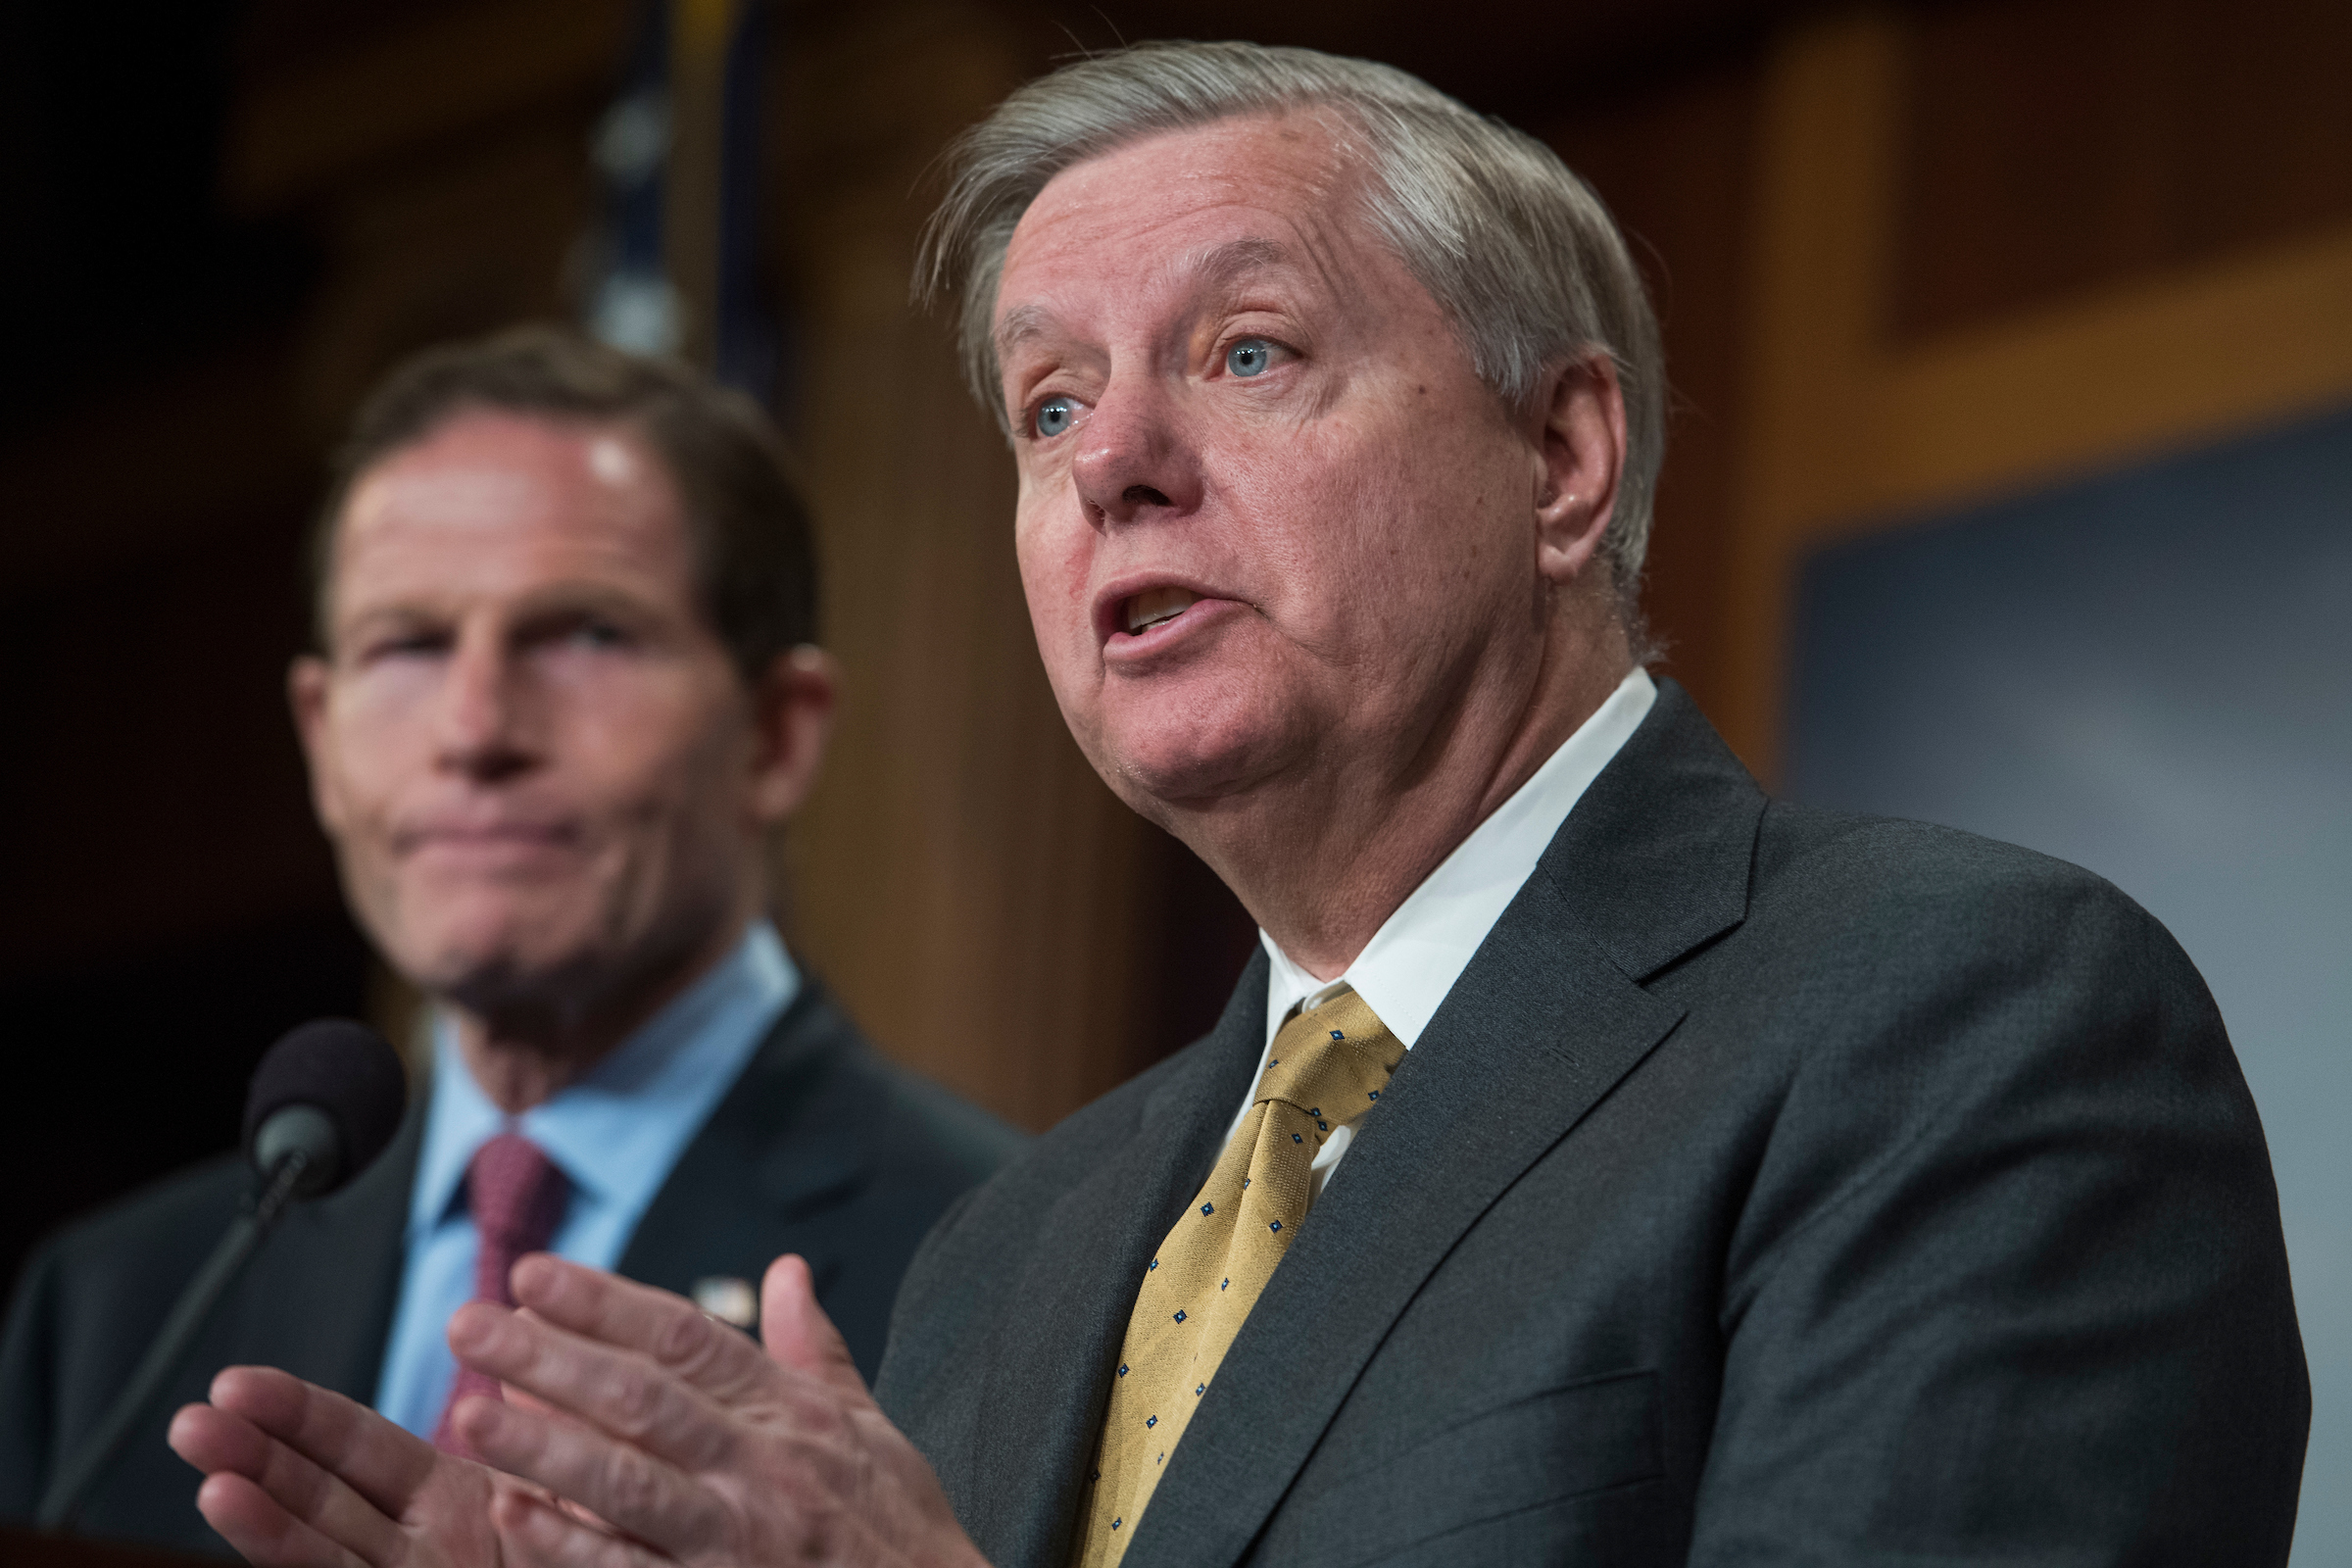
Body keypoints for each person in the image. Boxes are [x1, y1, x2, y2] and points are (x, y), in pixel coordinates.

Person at [167, 42, 2309, 1568]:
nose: (1114, 462)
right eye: (1050, 401)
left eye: (1251, 353)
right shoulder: (1018, 1255)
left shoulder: (1959, 1025)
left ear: (1563, 457)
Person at [0, 327, 1020, 1552]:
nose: (475, 727)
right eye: (409, 645)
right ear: (322, 745)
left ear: (776, 735)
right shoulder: (114, 1309)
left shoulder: (1018, 1266)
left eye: (584, 634)